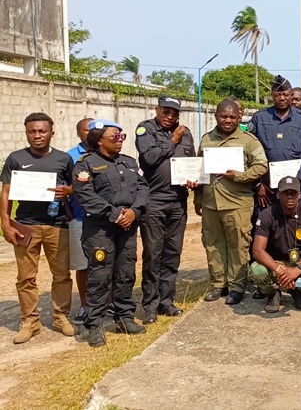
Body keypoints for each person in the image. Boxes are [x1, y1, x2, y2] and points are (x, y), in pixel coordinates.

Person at [73, 119, 150, 347]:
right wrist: (115, 214)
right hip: (100, 230)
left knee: (125, 273)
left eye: (122, 136)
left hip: (128, 227)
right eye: (115, 137)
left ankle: (124, 317)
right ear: (99, 141)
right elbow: (85, 195)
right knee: (99, 276)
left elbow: (143, 188)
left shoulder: (128, 162)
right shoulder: (85, 165)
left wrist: (134, 212)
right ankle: (94, 324)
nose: (120, 141)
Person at [1, 113, 75, 344]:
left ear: (52, 133)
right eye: (32, 131)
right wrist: (5, 222)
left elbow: (76, 187)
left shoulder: (64, 159)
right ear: (26, 133)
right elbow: (6, 192)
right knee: (26, 277)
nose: (37, 135)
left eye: (42, 131)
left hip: (58, 225)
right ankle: (29, 321)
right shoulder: (16, 158)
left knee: (62, 275)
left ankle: (61, 317)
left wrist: (69, 191)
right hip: (25, 225)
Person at [195, 99, 268, 305]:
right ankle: (219, 284)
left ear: (239, 117)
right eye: (223, 116)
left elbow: (262, 166)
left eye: (232, 117)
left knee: (238, 245)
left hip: (237, 203)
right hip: (211, 202)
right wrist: (199, 198)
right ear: (216, 116)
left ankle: (237, 286)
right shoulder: (207, 139)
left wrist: (238, 175)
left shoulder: (248, 140)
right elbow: (199, 169)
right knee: (212, 244)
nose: (227, 120)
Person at [135, 95, 196, 324]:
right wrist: (173, 140)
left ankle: (166, 302)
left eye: (174, 113)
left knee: (172, 254)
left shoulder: (186, 132)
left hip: (178, 201)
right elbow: (149, 158)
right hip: (154, 201)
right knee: (153, 254)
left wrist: (193, 178)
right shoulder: (145, 129)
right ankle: (150, 305)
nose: (170, 117)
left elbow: (192, 160)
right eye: (166, 112)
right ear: (157, 109)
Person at [249, 176, 301, 313]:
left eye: (293, 193)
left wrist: (298, 269)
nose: (289, 197)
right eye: (285, 193)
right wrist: (280, 270)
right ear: (278, 195)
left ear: (299, 195)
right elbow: (257, 251)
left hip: (300, 262)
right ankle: (273, 292)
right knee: (257, 272)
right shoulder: (266, 215)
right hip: (275, 262)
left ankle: (298, 290)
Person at [249, 75, 301, 208]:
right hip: (266, 189)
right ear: (272, 96)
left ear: (291, 95)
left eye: (285, 94)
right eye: (277, 95)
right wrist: (257, 184)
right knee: (265, 226)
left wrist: (300, 177)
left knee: (295, 225)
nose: (282, 98)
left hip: (295, 187)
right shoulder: (259, 118)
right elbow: (248, 152)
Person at [66, 117, 93, 325]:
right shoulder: (69, 158)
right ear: (78, 133)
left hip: (104, 220)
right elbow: (61, 190)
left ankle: (106, 302)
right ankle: (85, 305)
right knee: (82, 265)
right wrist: (70, 215)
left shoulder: (108, 153)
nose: (91, 133)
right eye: (87, 130)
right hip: (79, 218)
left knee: (106, 263)